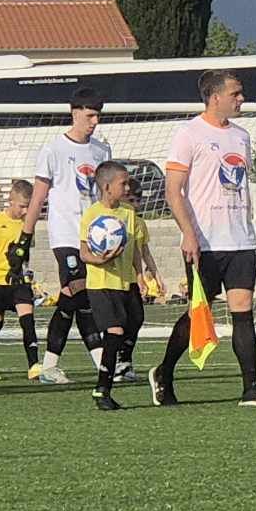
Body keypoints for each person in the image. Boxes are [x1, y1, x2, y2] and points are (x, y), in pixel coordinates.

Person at [150, 70, 256, 408]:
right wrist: (188, 233)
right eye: (236, 93)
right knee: (198, 314)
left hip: (241, 241)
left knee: (243, 311)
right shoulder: (188, 134)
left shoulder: (241, 136)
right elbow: (173, 191)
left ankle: (251, 387)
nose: (241, 99)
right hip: (204, 243)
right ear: (215, 97)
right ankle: (164, 372)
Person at [23, 89, 111, 386]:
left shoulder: (101, 151)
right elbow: (38, 197)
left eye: (98, 116)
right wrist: (25, 237)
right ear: (74, 113)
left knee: (76, 299)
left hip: (93, 237)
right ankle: (88, 363)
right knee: (78, 292)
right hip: (64, 236)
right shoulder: (53, 150)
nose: (95, 121)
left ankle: (87, 364)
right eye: (90, 115)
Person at [79, 161, 157, 413]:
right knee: (114, 332)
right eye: (123, 183)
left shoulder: (128, 213)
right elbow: (84, 253)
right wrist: (98, 259)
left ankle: (119, 364)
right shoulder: (92, 215)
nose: (127, 188)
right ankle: (102, 389)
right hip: (101, 284)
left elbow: (134, 249)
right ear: (106, 187)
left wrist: (141, 276)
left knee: (136, 319)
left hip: (126, 283)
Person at [0, 179, 41, 380]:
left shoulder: (28, 224)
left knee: (28, 321)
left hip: (19, 281)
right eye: (22, 206)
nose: (25, 211)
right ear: (10, 201)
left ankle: (34, 366)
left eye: (28, 207)